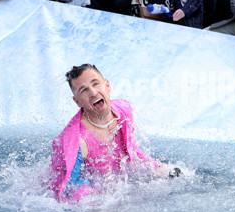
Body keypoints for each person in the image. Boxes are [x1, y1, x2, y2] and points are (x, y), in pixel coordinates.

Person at [48, 64, 176, 202]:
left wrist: (157, 168)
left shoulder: (123, 111)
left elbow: (129, 148)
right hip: (81, 199)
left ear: (107, 85)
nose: (92, 92)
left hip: (114, 187)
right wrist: (95, 203)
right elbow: (68, 185)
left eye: (95, 84)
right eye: (84, 90)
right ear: (77, 101)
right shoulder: (77, 141)